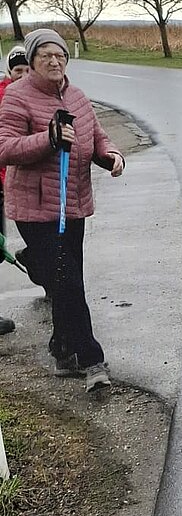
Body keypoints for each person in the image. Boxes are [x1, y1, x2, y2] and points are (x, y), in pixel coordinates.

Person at [0, 29, 125, 392]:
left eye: (60, 55)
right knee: (67, 281)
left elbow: (96, 137)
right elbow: (5, 148)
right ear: (32, 61)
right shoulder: (17, 97)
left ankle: (62, 350)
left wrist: (111, 156)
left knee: (65, 282)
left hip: (74, 204)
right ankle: (91, 360)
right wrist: (49, 138)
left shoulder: (77, 96)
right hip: (36, 209)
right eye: (46, 56)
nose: (54, 61)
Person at [0, 44, 31, 335]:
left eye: (26, 70)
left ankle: (47, 277)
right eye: (17, 70)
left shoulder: (41, 96)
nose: (22, 75)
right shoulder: (3, 99)